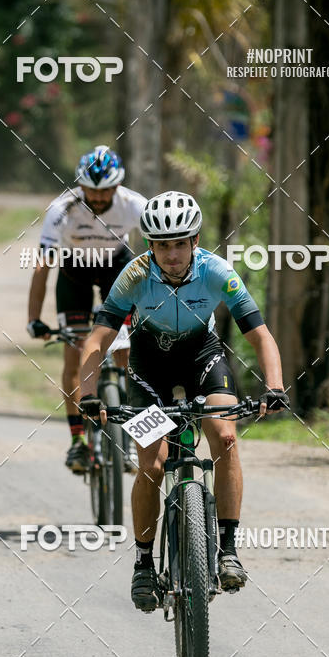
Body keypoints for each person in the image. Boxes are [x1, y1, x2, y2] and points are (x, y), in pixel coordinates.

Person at [78, 190, 288, 612]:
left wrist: (275, 387)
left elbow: (260, 335)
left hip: (201, 358)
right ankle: (142, 564)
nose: (171, 254)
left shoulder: (218, 271)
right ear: (149, 245)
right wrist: (87, 393)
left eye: (179, 243)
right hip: (147, 369)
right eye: (161, 245)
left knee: (225, 438)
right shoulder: (135, 276)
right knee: (152, 463)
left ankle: (227, 550)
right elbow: (99, 338)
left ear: (195, 241)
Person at [27, 145, 146, 472]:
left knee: (128, 354)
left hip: (116, 270)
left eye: (105, 190)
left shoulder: (134, 205)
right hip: (74, 272)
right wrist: (34, 319)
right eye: (91, 190)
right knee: (75, 350)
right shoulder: (62, 208)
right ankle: (78, 441)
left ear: (117, 185)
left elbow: (163, 251)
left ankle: (134, 441)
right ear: (81, 186)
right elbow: (43, 265)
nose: (97, 197)